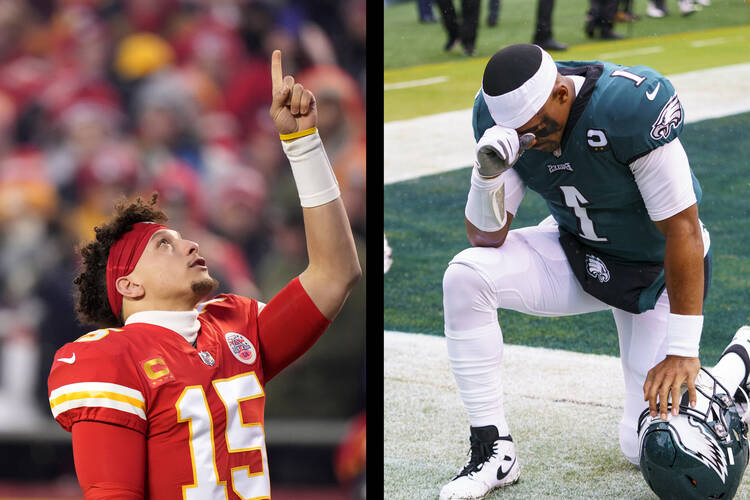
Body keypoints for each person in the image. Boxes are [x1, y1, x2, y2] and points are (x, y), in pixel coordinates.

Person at [46, 49, 361, 499]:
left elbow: (336, 273)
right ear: (129, 285)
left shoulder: (236, 327)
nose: (190, 245)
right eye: (164, 245)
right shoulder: (110, 357)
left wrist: (304, 143)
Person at [439, 43, 709, 499]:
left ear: (562, 95)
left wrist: (683, 350)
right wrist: (485, 177)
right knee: (466, 275)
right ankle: (492, 450)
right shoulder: (500, 121)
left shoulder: (627, 109)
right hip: (578, 253)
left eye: (533, 132)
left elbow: (683, 231)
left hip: (654, 271)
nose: (528, 143)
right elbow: (487, 238)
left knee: (644, 446)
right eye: (518, 137)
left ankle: (738, 372)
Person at [639, 325, 750, 499]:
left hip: (657, 304)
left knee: (636, 448)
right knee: (647, 449)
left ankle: (741, 353)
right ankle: (740, 360)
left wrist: (682, 351)